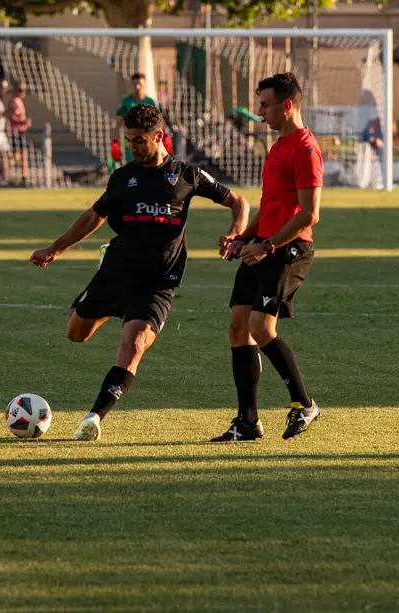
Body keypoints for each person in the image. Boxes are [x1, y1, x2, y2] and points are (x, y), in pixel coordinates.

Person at [30, 103, 249, 441]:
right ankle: (107, 306)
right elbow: (93, 216)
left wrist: (236, 232)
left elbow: (239, 201)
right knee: (76, 333)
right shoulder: (123, 178)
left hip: (158, 283)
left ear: (158, 137)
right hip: (117, 273)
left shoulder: (186, 175)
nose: (132, 147)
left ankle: (93, 418)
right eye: (129, 140)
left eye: (139, 141)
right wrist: (55, 249)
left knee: (132, 344)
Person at [211, 72, 323, 443]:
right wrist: (242, 237)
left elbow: (308, 215)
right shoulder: (276, 147)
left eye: (264, 104)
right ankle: (247, 421)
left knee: (261, 327)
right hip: (263, 245)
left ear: (287, 105)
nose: (259, 112)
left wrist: (267, 245)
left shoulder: (306, 149)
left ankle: (304, 404)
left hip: (288, 249)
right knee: (238, 326)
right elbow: (270, 206)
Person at [116, 73, 158, 164]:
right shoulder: (127, 101)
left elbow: (158, 120)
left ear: (144, 84)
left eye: (140, 84)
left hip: (147, 137)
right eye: (135, 84)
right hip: (131, 137)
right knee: (132, 160)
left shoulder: (150, 101)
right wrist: (115, 136)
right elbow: (119, 118)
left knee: (147, 160)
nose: (138, 87)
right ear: (132, 84)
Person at [6, 80, 32, 186]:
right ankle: (23, 177)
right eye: (20, 90)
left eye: (24, 90)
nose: (23, 92)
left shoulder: (19, 101)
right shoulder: (14, 102)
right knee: (22, 155)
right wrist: (23, 122)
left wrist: (25, 123)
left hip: (21, 131)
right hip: (16, 132)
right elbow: (11, 118)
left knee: (18, 155)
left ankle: (4, 168)